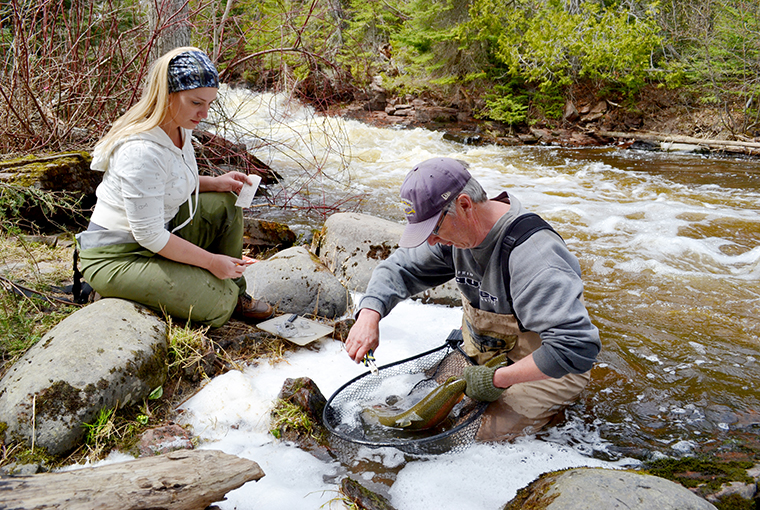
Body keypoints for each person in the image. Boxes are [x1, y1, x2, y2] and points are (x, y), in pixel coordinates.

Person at [345, 157, 601, 441]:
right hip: (481, 357)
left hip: (544, 369)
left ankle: (558, 416)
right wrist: (369, 314)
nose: (430, 241)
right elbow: (399, 268)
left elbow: (576, 348)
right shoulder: (457, 236)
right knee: (415, 414)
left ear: (465, 205)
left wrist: (497, 379)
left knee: (460, 437)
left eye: (433, 230)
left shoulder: (534, 255)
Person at [76, 47, 273, 328]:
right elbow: (150, 236)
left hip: (160, 231)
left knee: (225, 203)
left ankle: (236, 290)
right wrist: (211, 262)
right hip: (119, 255)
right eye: (196, 103)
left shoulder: (181, 126)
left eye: (209, 104)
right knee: (220, 303)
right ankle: (112, 289)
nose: (204, 113)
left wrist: (216, 183)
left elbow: (168, 183)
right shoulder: (140, 151)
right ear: (167, 94)